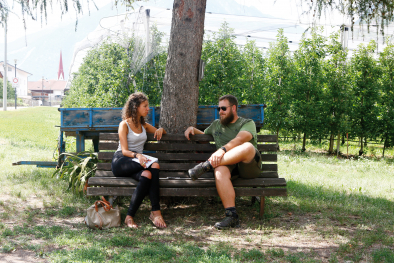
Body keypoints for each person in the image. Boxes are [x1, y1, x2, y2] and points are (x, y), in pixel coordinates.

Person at [184, 95, 262, 230]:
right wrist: (192, 129)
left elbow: (239, 140)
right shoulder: (216, 125)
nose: (220, 111)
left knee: (247, 147)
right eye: (219, 108)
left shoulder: (247, 123)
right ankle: (232, 216)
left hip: (248, 166)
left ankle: (206, 166)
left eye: (224, 108)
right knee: (219, 171)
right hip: (229, 167)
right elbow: (204, 136)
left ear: (233, 108)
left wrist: (222, 150)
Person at [111, 92, 167, 229]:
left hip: (137, 163)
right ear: (136, 107)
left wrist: (160, 129)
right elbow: (124, 151)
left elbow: (161, 132)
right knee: (154, 165)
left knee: (147, 174)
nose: (148, 109)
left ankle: (129, 216)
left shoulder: (144, 126)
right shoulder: (124, 125)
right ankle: (156, 211)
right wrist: (138, 156)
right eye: (145, 106)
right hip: (122, 161)